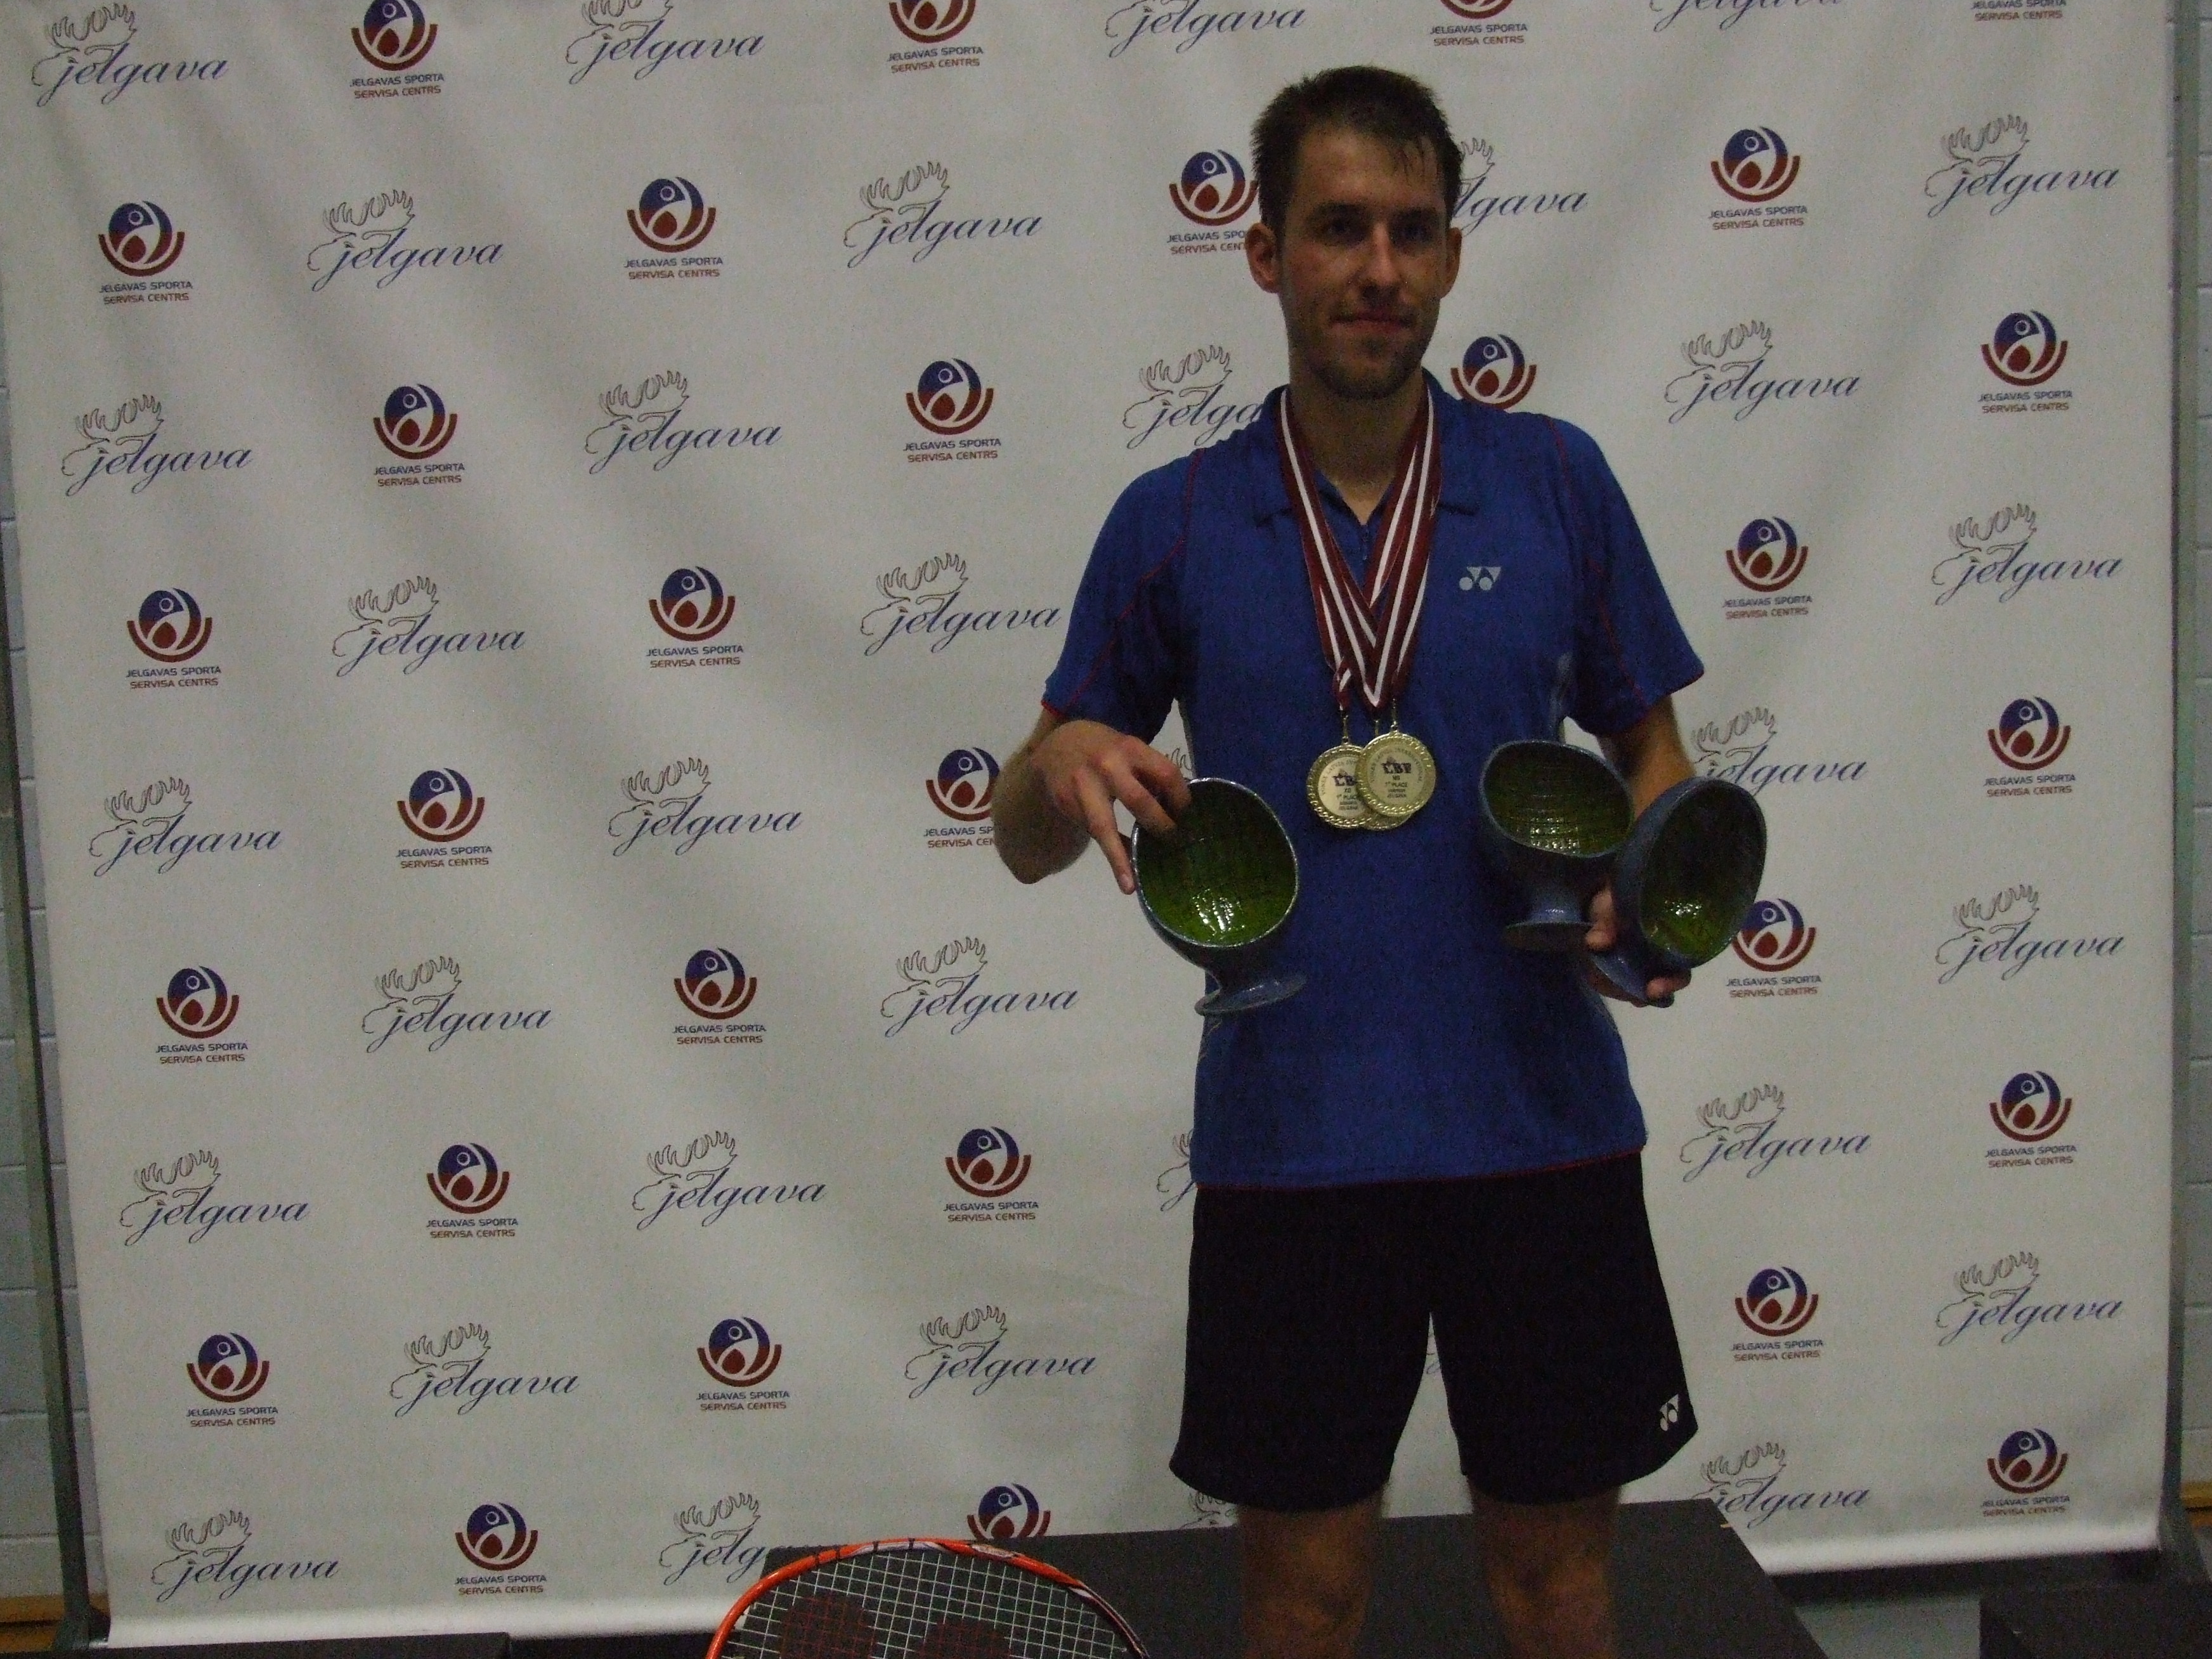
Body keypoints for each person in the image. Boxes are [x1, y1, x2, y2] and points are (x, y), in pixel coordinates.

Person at [992, 67, 1703, 1659]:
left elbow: (1655, 760)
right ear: (1265, 254)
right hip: (1294, 1147)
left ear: (1450, 255)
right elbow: (1023, 837)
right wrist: (1058, 761)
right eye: (1337, 229)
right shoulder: (1172, 521)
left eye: (1411, 230)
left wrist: (1657, 894)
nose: (1378, 269)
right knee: (1302, 1604)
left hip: (1541, 1129)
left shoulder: (1556, 482)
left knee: (1560, 1591)